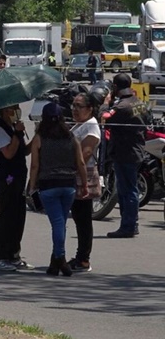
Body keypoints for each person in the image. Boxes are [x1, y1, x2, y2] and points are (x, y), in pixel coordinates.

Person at [28, 102, 88, 277]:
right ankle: (55, 262)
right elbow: (81, 163)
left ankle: (59, 258)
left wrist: (32, 187)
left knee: (57, 223)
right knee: (61, 222)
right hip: (68, 185)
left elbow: (34, 165)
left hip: (48, 185)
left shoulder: (39, 137)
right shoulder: (71, 137)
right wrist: (84, 184)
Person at [101, 73, 149, 238]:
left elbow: (104, 118)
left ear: (115, 87)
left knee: (127, 191)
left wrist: (106, 103)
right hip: (137, 150)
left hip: (125, 153)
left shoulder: (122, 107)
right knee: (129, 189)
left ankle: (128, 226)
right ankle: (130, 224)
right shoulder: (140, 103)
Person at [0, 103, 32, 272]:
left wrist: (37, 136)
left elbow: (24, 151)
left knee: (18, 216)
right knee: (6, 216)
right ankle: (0, 257)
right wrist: (17, 133)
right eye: (13, 108)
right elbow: (8, 153)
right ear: (4, 111)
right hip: (7, 177)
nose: (17, 110)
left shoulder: (14, 127)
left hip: (19, 176)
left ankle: (14, 255)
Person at [68, 92, 101, 272]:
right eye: (73, 105)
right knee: (79, 218)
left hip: (84, 176)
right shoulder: (79, 125)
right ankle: (81, 256)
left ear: (89, 109)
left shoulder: (91, 126)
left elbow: (85, 153)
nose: (74, 109)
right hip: (74, 174)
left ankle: (83, 259)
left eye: (79, 106)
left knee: (83, 220)